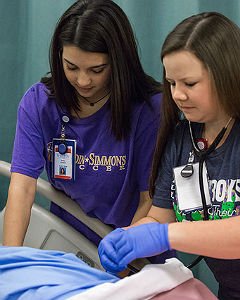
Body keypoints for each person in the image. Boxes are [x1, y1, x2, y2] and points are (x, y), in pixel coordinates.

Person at [98, 12, 240, 300]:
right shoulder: (182, 139)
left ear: (227, 76)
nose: (178, 95)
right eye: (171, 83)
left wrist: (163, 236)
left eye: (189, 84)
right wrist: (129, 237)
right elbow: (160, 217)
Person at [3, 0, 163, 253]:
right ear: (59, 57)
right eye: (71, 67)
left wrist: (121, 263)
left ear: (119, 62)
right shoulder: (40, 104)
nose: (83, 80)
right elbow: (21, 188)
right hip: (68, 246)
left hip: (134, 252)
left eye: (97, 69)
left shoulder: (149, 110)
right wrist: (10, 262)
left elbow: (151, 201)